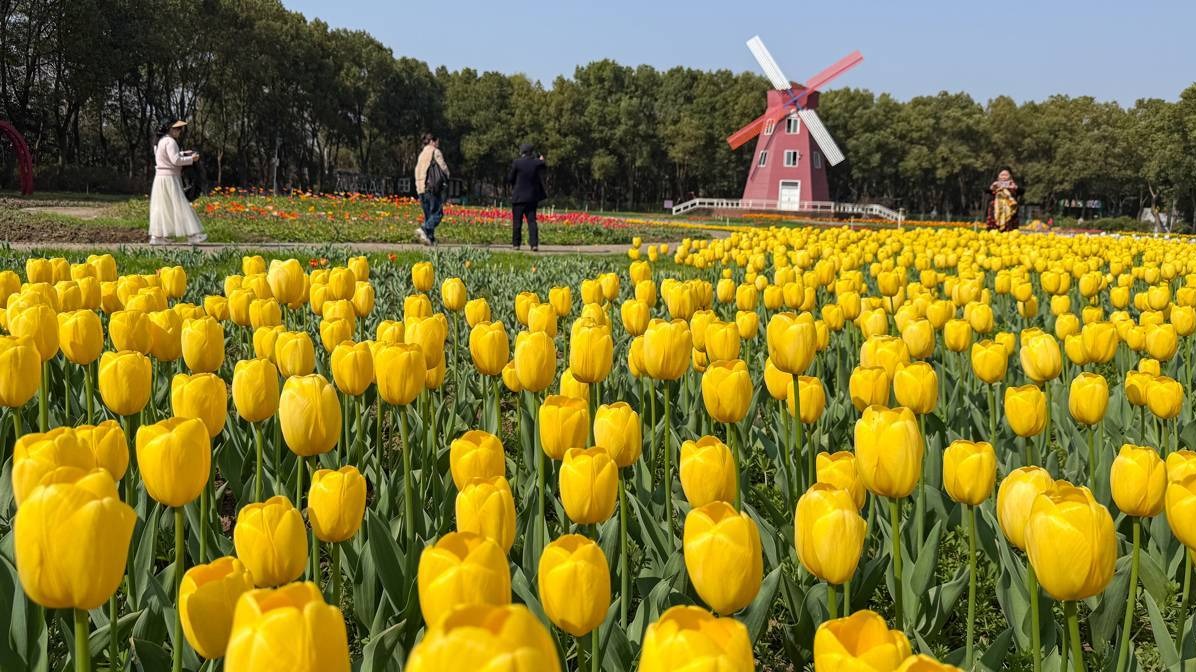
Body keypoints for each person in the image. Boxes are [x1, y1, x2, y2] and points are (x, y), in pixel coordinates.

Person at [150, 120, 206, 244]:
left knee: (161, 207)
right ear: (170, 129)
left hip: (160, 178)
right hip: (170, 178)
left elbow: (166, 157)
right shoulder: (170, 142)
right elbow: (175, 160)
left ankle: (156, 237)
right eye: (177, 129)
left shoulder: (159, 142)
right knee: (181, 205)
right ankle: (193, 235)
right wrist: (191, 158)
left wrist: (183, 154)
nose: (179, 131)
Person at [507, 143, 547, 251]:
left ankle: (516, 244)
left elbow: (510, 178)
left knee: (517, 222)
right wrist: (541, 159)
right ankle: (534, 244)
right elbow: (543, 164)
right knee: (532, 222)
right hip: (531, 198)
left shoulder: (517, 163)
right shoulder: (535, 163)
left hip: (518, 197)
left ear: (522, 152)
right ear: (531, 152)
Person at [414, 133, 449, 246]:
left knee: (429, 214)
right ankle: (424, 229)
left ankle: (430, 239)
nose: (438, 144)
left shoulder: (421, 154)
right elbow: (443, 167)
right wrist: (448, 176)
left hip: (420, 188)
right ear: (432, 141)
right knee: (438, 213)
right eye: (437, 142)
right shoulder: (435, 151)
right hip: (431, 187)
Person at [984, 167, 1021, 232]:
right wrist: (992, 187)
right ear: (998, 176)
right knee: (994, 228)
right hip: (996, 210)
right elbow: (986, 190)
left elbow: (1021, 191)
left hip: (1010, 211)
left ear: (1010, 176)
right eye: (1002, 175)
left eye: (1006, 175)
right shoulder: (995, 184)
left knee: (1010, 226)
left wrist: (1015, 187)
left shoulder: (1013, 184)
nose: (1004, 177)